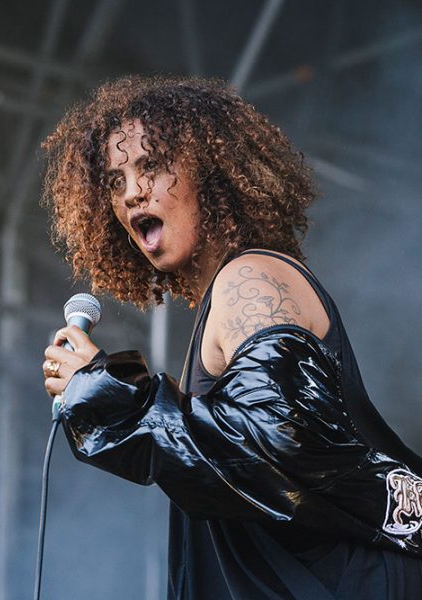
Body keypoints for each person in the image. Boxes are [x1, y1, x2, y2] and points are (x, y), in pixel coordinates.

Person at [40, 75, 422, 599]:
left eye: (151, 166)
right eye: (114, 180)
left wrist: (109, 398)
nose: (132, 193)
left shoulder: (250, 281)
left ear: (211, 171)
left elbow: (281, 442)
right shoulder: (227, 296)